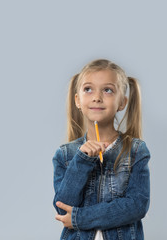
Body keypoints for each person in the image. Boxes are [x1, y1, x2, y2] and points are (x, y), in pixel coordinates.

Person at [52, 59, 151, 240]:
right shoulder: (65, 154)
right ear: (78, 101)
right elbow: (62, 207)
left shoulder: (136, 150)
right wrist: (81, 161)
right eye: (88, 89)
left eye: (107, 90)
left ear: (122, 102)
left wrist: (79, 218)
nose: (97, 97)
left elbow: (137, 205)